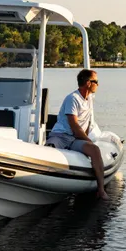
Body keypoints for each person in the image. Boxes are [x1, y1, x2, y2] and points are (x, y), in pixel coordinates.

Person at [46, 69, 109, 200]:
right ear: (88, 83)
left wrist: (88, 143)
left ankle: (101, 190)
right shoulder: (72, 99)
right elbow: (74, 125)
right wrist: (87, 140)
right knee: (49, 149)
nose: (98, 84)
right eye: (96, 82)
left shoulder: (89, 99)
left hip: (74, 139)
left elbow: (86, 122)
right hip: (61, 136)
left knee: (95, 150)